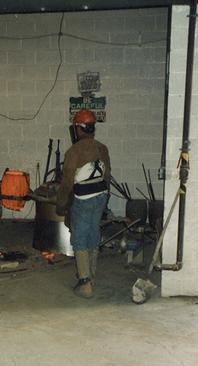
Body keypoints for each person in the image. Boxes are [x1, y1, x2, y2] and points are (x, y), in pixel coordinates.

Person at [56, 109, 111, 299]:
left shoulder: (74, 151)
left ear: (78, 129)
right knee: (93, 232)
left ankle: (85, 282)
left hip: (84, 199)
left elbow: (67, 183)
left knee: (79, 237)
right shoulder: (102, 148)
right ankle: (91, 274)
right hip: (101, 197)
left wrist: (61, 205)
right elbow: (107, 176)